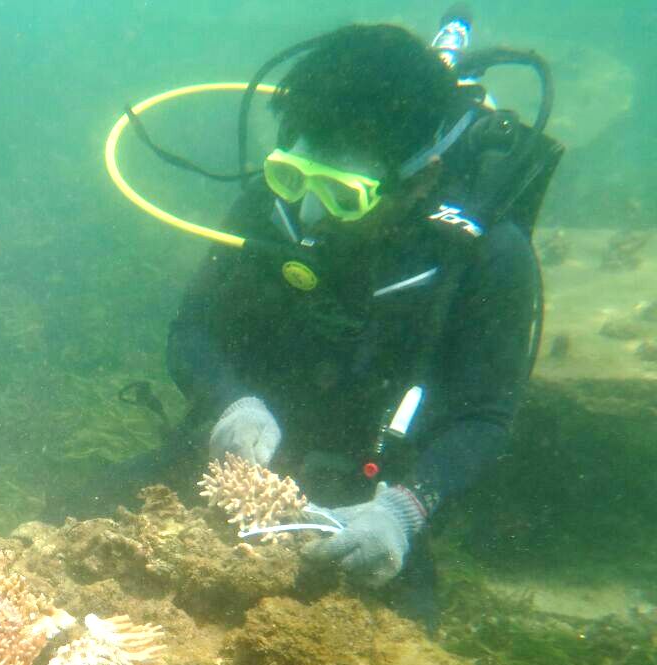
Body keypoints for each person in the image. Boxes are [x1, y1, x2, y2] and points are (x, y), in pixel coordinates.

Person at [170, 23, 541, 623]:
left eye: (343, 195)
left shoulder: (489, 256)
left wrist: (405, 510)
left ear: (425, 171)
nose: (313, 210)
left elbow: (484, 414)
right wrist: (229, 401)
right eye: (295, 176)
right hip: (227, 465)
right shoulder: (271, 207)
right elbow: (192, 329)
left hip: (367, 503)